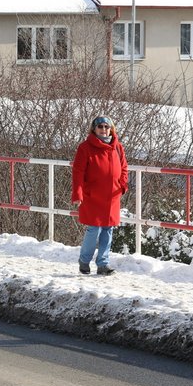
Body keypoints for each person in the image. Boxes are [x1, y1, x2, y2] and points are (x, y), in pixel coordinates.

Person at [71, 116, 129, 275]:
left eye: (106, 127)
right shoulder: (85, 148)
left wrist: (122, 186)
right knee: (94, 229)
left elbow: (124, 169)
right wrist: (78, 193)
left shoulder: (118, 147)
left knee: (107, 229)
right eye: (100, 127)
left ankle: (103, 263)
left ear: (111, 129)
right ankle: (84, 260)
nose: (104, 130)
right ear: (94, 129)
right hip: (93, 196)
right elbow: (78, 172)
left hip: (112, 196)